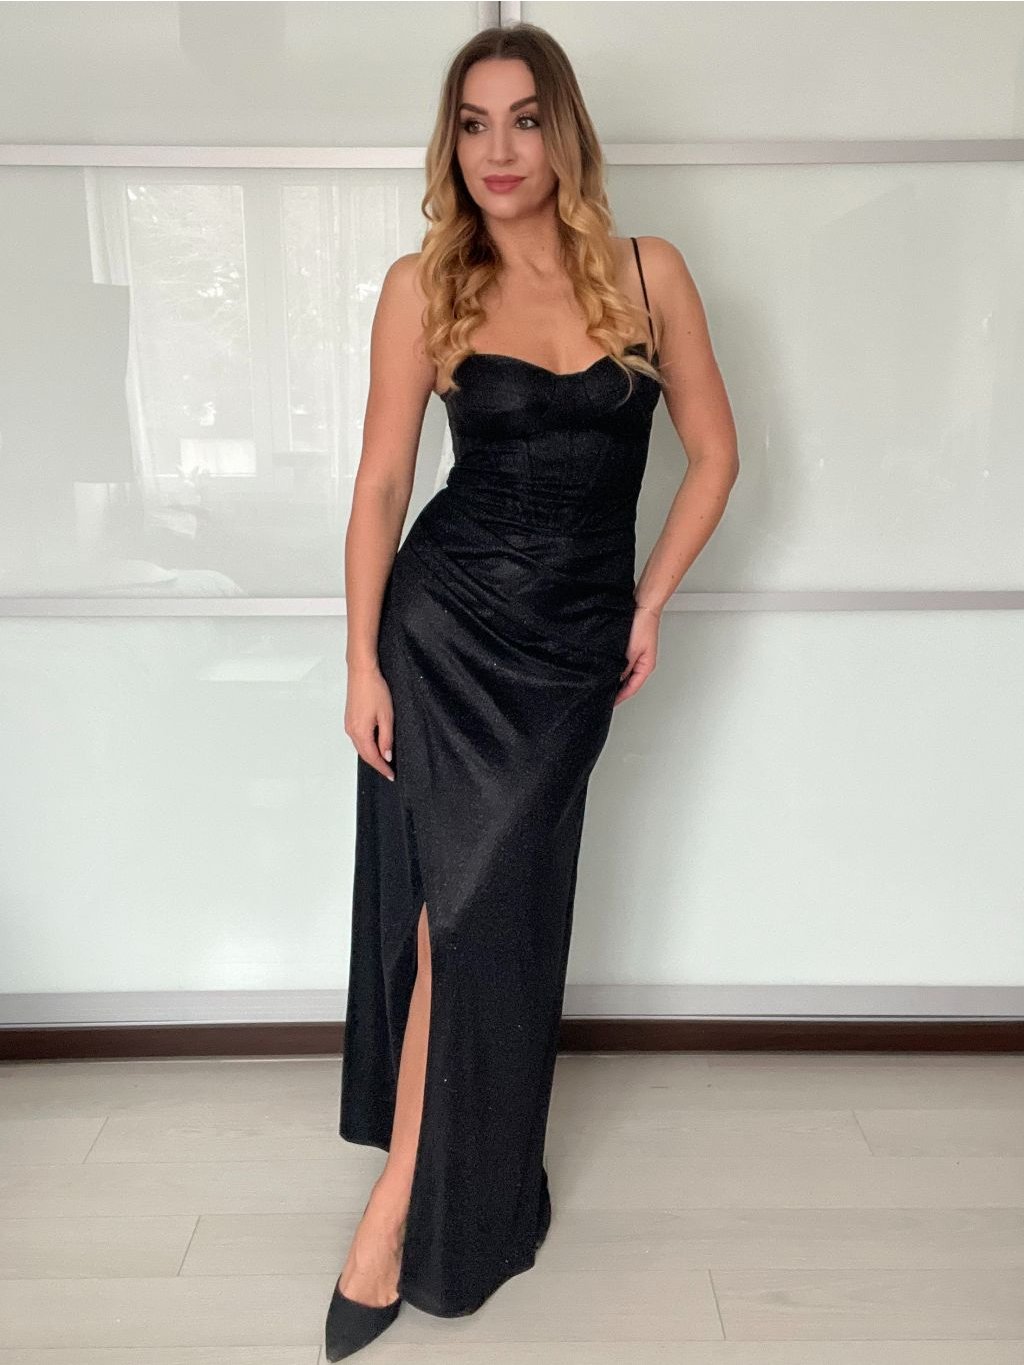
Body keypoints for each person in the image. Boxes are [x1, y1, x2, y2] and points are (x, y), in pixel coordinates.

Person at [325, 20, 738, 1360]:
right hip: (443, 631)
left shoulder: (648, 272)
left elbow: (717, 455)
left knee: (493, 913)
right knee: (452, 913)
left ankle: (456, 1180)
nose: (498, 149)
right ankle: (398, 1208)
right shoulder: (424, 284)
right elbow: (385, 484)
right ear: (450, 143)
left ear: (564, 131)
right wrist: (360, 657)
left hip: (569, 654)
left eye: (523, 118)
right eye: (473, 122)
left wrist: (650, 600)